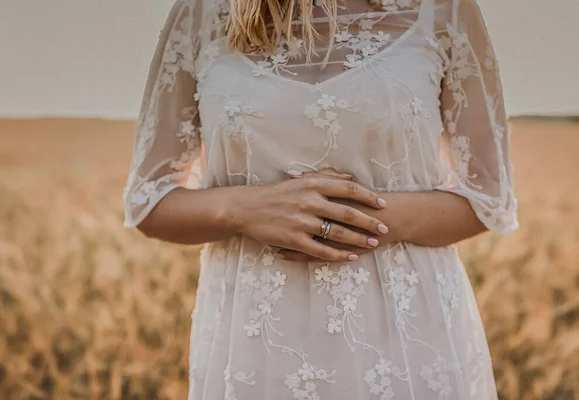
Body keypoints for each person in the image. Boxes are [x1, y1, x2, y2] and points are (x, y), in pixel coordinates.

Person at [123, 0, 518, 398]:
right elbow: (149, 202)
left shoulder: (443, 9)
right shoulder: (201, 12)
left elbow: (488, 197)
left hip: (407, 341)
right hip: (254, 346)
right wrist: (248, 208)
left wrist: (367, 221)